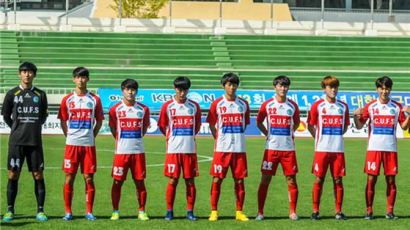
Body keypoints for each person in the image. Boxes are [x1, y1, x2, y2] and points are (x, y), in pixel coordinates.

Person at [353, 76, 410, 220]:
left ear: (390, 89)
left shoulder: (396, 107)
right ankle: (369, 211)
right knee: (371, 180)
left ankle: (390, 212)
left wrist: (409, 114)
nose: (384, 91)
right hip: (374, 149)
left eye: (387, 88)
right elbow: (359, 126)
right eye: (382, 88)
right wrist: (355, 116)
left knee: (391, 181)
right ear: (377, 89)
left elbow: (404, 126)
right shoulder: (371, 106)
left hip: (390, 149)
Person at [1, 62, 48, 221]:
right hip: (16, 142)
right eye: (24, 72)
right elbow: (6, 116)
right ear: (19, 74)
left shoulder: (40, 94)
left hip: (35, 142)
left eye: (30, 72)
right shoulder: (11, 94)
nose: (27, 74)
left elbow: (43, 116)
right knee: (13, 174)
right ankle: (10, 210)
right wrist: (17, 128)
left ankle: (40, 210)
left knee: (38, 174)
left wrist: (32, 127)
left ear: (34, 75)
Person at [58, 67, 104, 221]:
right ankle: (68, 211)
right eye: (78, 77)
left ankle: (89, 211)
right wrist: (69, 136)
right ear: (73, 79)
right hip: (72, 145)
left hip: (88, 145)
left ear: (87, 79)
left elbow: (99, 121)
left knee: (89, 178)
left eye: (83, 77)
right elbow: (63, 120)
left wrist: (92, 135)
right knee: (69, 177)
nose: (80, 80)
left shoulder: (95, 99)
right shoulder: (67, 99)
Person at [255, 75, 300, 221]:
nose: (283, 88)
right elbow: (259, 121)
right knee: (265, 179)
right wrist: (267, 133)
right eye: (280, 85)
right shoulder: (268, 105)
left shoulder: (292, 106)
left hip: (288, 150)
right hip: (271, 149)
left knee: (291, 180)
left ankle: (292, 212)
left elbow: (297, 123)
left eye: (285, 86)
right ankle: (260, 212)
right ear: (275, 87)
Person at [207, 73, 250, 222]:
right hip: (221, 150)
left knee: (239, 181)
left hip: (239, 149)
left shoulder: (243, 104)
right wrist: (218, 139)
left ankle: (239, 211)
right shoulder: (217, 104)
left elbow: (244, 125)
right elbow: (212, 124)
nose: (232, 87)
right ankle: (214, 211)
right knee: (217, 179)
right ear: (223, 85)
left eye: (234, 85)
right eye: (229, 84)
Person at [158, 76, 201, 221]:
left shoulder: (194, 106)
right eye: (180, 89)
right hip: (173, 150)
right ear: (175, 89)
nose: (182, 93)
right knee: (173, 180)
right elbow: (162, 125)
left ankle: (190, 211)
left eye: (185, 90)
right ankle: (169, 210)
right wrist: (171, 139)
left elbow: (198, 126)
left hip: (189, 150)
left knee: (190, 181)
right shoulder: (168, 106)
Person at [307, 76, 350, 220]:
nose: (333, 90)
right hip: (321, 150)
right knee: (319, 179)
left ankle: (338, 211)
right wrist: (319, 139)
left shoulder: (343, 107)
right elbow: (310, 125)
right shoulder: (317, 106)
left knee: (338, 180)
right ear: (324, 89)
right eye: (330, 87)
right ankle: (315, 210)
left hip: (338, 150)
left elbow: (344, 127)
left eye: (335, 87)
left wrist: (334, 138)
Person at [108, 79, 150, 221]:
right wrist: (122, 141)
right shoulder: (115, 109)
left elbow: (144, 128)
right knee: (117, 182)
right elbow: (113, 128)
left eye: (133, 89)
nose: (130, 92)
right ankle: (115, 211)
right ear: (122, 91)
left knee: (140, 182)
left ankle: (142, 211)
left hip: (138, 152)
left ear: (136, 91)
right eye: (127, 89)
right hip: (121, 153)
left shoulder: (143, 109)